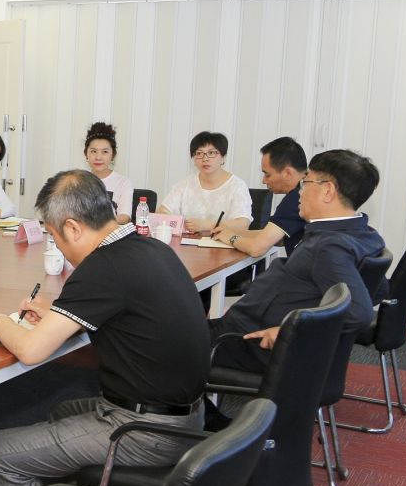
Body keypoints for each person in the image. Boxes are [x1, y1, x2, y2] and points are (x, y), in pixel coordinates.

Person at [0, 169, 209, 486]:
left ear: (72, 227)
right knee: (64, 412)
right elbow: (123, 312)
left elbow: (30, 350)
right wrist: (59, 314)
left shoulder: (101, 268)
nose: (59, 247)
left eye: (54, 236)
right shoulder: (149, 247)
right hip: (187, 413)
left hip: (147, 430)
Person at [209, 148, 387, 372]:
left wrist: (291, 330)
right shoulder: (365, 234)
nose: (300, 192)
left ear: (327, 191)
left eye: (306, 182)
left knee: (168, 340)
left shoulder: (329, 247)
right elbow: (379, 290)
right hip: (248, 330)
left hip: (248, 341)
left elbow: (359, 313)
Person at [208, 136, 308, 257]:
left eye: (267, 174)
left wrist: (230, 237)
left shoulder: (297, 198)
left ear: (287, 173)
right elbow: (270, 235)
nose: (264, 181)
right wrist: (230, 232)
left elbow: (256, 248)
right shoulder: (307, 189)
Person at [159, 131, 252, 234]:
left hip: (222, 242)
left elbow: (243, 223)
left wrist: (208, 225)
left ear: (223, 157)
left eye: (211, 153)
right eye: (199, 153)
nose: (205, 158)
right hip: (187, 242)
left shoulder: (237, 186)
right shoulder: (185, 184)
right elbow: (162, 212)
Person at [82, 121, 134, 223]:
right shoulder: (78, 181)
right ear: (86, 154)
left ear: (113, 155)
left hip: (110, 231)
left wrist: (97, 222)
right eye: (93, 151)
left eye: (105, 152)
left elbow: (125, 217)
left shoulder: (123, 183)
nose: (98, 157)